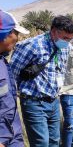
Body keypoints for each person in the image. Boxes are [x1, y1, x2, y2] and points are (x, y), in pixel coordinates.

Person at [10, 15, 73, 146]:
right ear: (53, 31)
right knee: (41, 143)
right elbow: (12, 73)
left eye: (70, 39)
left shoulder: (65, 47)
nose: (67, 42)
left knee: (54, 141)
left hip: (54, 102)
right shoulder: (32, 45)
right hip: (34, 102)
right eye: (65, 38)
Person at [0, 10, 29, 147]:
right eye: (16, 33)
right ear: (4, 34)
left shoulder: (3, 60)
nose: (18, 38)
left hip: (13, 133)